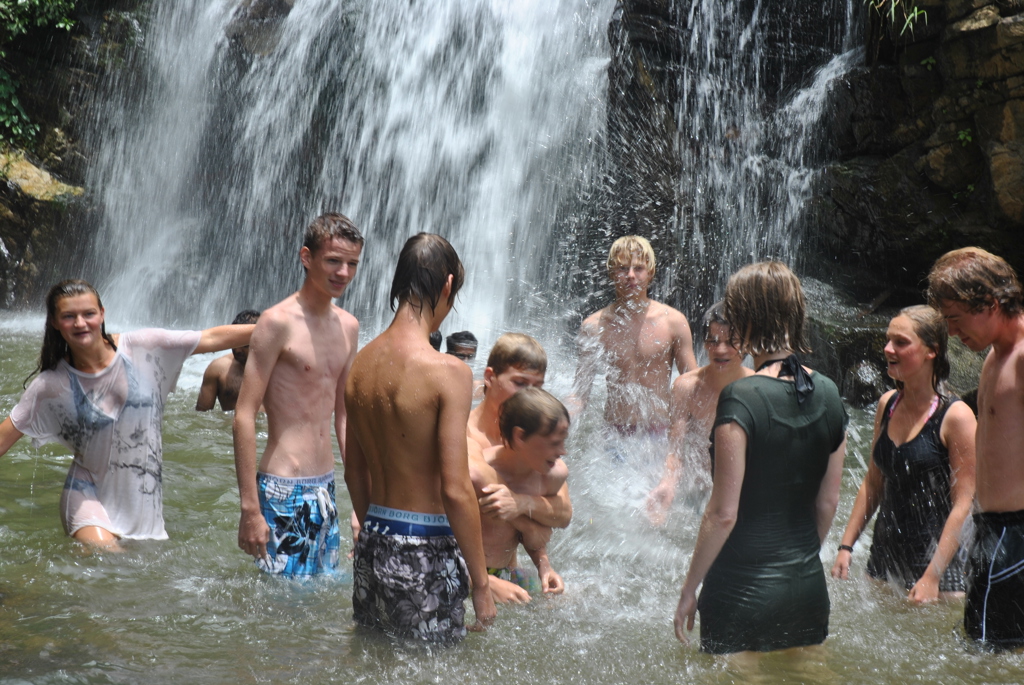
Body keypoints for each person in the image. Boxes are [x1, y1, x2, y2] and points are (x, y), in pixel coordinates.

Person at [0, 279, 254, 547]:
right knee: (110, 563)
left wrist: (281, 325)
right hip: (87, 498)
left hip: (141, 503)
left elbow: (212, 337)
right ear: (54, 322)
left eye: (88, 314)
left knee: (134, 582)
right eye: (68, 316)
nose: (80, 323)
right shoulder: (50, 385)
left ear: (102, 314)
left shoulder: (143, 347)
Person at [674, 261, 847, 654]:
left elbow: (723, 514)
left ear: (747, 316)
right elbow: (828, 502)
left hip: (741, 590)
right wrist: (795, 563)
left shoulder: (742, 396)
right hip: (806, 589)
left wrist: (689, 589)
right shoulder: (829, 391)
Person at [344, 232, 496, 643]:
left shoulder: (359, 365)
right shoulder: (449, 372)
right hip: (424, 549)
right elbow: (456, 487)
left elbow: (353, 471)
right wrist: (481, 584)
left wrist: (375, 537)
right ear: (447, 286)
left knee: (376, 661)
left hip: (373, 541)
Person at [233, 213, 362, 578]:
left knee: (317, 608)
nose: (343, 273)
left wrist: (360, 502)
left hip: (326, 485)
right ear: (307, 257)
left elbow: (345, 416)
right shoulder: (277, 323)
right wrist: (250, 509)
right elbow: (244, 415)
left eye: (352, 264)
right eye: (333, 261)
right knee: (281, 610)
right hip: (282, 487)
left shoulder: (349, 327)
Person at [831, 305, 976, 602]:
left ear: (931, 351)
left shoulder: (955, 416)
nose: (887, 349)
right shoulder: (888, 404)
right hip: (884, 560)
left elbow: (964, 503)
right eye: (888, 340)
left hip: (940, 573)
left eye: (901, 342)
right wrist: (846, 547)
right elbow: (873, 482)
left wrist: (932, 575)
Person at [927, 246, 1024, 650]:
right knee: (984, 649)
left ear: (988, 301)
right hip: (994, 530)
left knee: (986, 656)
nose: (950, 332)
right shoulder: (995, 357)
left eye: (954, 318)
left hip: (1014, 534)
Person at [568, 236, 697, 451]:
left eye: (638, 268)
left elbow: (693, 384)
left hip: (660, 432)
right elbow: (580, 394)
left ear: (651, 272)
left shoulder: (673, 322)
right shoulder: (594, 326)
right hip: (614, 434)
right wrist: (557, 419)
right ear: (611, 273)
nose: (630, 276)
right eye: (622, 268)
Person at [646, 302, 751, 525]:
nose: (721, 350)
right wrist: (668, 484)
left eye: (731, 342)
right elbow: (675, 450)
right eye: (713, 341)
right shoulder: (686, 387)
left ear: (747, 344)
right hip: (695, 491)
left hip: (741, 494)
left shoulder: (758, 388)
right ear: (703, 344)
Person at [471, 387, 570, 604]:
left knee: (567, 602)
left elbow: (534, 531)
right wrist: (480, 581)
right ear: (520, 436)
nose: (563, 451)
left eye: (563, 441)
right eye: (554, 443)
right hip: (465, 574)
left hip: (506, 572)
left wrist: (544, 565)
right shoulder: (481, 470)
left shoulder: (551, 476)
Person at [466, 333, 571, 530]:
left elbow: (564, 513)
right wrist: (530, 528)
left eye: (537, 387)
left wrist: (522, 503)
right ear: (489, 377)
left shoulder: (535, 439)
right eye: (520, 383)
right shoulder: (462, 433)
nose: (529, 395)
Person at [196, 309, 261, 411]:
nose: (237, 349)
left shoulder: (280, 369)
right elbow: (200, 417)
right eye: (234, 342)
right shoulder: (217, 369)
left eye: (244, 345)